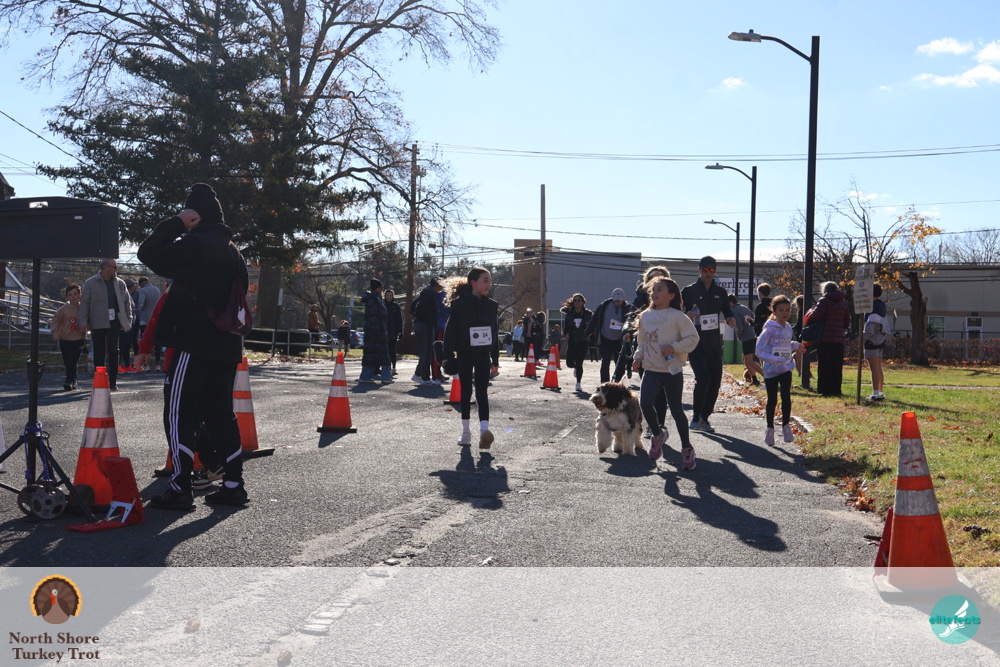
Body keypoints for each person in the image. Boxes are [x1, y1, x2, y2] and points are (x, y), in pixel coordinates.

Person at [136, 182, 250, 509]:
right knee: (220, 414)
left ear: (194, 216)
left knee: (179, 413)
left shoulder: (197, 245)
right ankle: (233, 484)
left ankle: (180, 488)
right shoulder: (234, 252)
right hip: (227, 344)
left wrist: (176, 223)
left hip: (194, 342)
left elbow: (148, 253)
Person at [632, 277, 700, 469]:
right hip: (651, 369)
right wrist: (638, 357)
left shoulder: (678, 317)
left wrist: (674, 347)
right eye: (653, 290)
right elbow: (642, 341)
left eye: (659, 289)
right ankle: (657, 434)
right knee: (645, 403)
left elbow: (693, 338)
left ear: (671, 295)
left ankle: (687, 449)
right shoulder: (645, 316)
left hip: (672, 371)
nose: (654, 293)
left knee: (676, 409)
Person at [443, 267, 500, 450]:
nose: (489, 284)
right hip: (465, 354)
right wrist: (447, 355)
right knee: (466, 391)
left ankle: (484, 432)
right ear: (474, 283)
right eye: (485, 280)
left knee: (482, 392)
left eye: (490, 281)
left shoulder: (492, 306)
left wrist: (495, 359)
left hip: (483, 354)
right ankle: (466, 431)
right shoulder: (459, 304)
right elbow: (450, 331)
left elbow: (494, 332)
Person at [681, 256, 736, 432]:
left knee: (715, 383)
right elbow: (677, 312)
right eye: (705, 270)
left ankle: (704, 418)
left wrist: (730, 318)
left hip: (714, 344)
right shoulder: (688, 291)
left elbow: (726, 310)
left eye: (712, 270)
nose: (708, 273)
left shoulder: (720, 292)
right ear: (699, 270)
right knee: (703, 379)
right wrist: (686, 315)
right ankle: (696, 416)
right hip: (696, 343)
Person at [78, 258, 132, 391]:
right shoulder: (90, 282)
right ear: (106, 268)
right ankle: (100, 380)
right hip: (97, 321)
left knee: (114, 350)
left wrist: (128, 321)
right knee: (99, 351)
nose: (116, 269)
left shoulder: (120, 283)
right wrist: (83, 322)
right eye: (114, 267)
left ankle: (113, 381)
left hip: (115, 322)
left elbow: (127, 303)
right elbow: (85, 303)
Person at [756, 295, 801, 446]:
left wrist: (796, 345)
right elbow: (759, 350)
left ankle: (786, 427)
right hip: (771, 370)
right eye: (781, 310)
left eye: (788, 310)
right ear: (774, 312)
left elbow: (786, 345)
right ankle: (770, 429)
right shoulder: (769, 329)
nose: (785, 313)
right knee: (772, 399)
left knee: (786, 396)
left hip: (786, 367)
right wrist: (773, 359)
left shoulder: (788, 328)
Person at [616, 265, 671, 384]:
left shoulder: (673, 298)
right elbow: (632, 315)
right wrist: (627, 331)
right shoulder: (641, 298)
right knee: (648, 382)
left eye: (660, 277)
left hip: (666, 346)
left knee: (665, 383)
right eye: (652, 277)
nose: (655, 280)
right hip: (644, 344)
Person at [809, 281, 850, 397]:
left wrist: (811, 313)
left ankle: (824, 389)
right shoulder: (844, 303)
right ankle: (836, 389)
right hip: (838, 338)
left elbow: (816, 317)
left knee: (824, 364)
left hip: (825, 338)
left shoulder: (824, 301)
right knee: (836, 365)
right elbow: (847, 322)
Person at [587, 287, 631, 383]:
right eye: (616, 301)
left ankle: (618, 384)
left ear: (623, 299)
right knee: (605, 362)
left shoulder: (628, 308)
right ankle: (605, 384)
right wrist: (586, 333)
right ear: (612, 298)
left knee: (620, 365)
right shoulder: (604, 305)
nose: (617, 303)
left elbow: (631, 323)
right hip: (605, 339)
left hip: (620, 341)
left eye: (619, 301)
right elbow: (594, 320)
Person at [51, 283, 87, 391]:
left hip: (78, 339)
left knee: (72, 360)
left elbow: (89, 321)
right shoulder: (63, 309)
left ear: (80, 295)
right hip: (65, 339)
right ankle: (72, 379)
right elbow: (55, 321)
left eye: (75, 294)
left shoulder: (83, 308)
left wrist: (86, 328)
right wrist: (55, 332)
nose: (73, 296)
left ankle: (70, 380)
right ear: (67, 297)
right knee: (67, 361)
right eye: (70, 295)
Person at [412, 276, 444, 386]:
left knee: (426, 352)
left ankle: (418, 374)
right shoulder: (430, 294)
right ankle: (425, 378)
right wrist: (420, 316)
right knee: (427, 352)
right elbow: (419, 306)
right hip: (426, 324)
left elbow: (414, 304)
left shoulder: (426, 292)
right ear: (437, 285)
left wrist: (415, 314)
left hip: (423, 324)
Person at [359, 278, 392, 383]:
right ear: (377, 288)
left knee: (370, 355)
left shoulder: (373, 299)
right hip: (377, 332)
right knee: (384, 356)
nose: (382, 289)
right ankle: (386, 377)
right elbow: (374, 317)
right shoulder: (374, 300)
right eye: (381, 287)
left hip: (372, 332)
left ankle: (365, 376)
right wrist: (379, 331)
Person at [728, 294, 763, 386]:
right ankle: (754, 379)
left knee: (749, 361)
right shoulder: (745, 308)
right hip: (752, 335)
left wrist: (738, 334)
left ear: (730, 302)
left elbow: (739, 326)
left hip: (746, 337)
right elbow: (753, 320)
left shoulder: (734, 311)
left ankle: (766, 376)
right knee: (745, 359)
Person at [561, 293, 593, 392]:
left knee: (579, 362)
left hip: (583, 341)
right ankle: (575, 367)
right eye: (575, 300)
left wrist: (589, 335)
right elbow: (566, 327)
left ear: (583, 302)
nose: (577, 302)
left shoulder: (588, 314)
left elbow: (591, 326)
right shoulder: (570, 314)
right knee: (569, 363)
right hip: (572, 340)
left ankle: (578, 383)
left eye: (579, 300)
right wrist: (566, 334)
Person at [864, 283, 890, 401]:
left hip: (872, 341)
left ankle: (875, 393)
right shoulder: (881, 305)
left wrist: (862, 338)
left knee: (873, 368)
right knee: (879, 368)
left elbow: (870, 327)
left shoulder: (872, 307)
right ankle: (880, 392)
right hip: (881, 339)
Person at [135, 276, 161, 369]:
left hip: (145, 320)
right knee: (157, 342)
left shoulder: (142, 291)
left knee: (146, 341)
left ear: (141, 284)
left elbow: (141, 305)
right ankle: (157, 364)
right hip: (156, 319)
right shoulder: (157, 290)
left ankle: (146, 364)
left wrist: (134, 310)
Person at [118, 277, 140, 373]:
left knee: (127, 345)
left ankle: (127, 365)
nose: (134, 287)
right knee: (122, 345)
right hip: (124, 324)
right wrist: (137, 310)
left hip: (130, 323)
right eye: (133, 285)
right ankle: (118, 365)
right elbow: (125, 309)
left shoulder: (129, 296)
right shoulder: (123, 296)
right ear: (130, 286)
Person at [384, 289, 403, 376]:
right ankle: (386, 367)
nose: (389, 297)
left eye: (390, 295)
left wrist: (400, 331)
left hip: (393, 331)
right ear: (385, 296)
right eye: (387, 295)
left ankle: (394, 367)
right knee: (385, 350)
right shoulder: (382, 305)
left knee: (392, 350)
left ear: (393, 296)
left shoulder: (396, 306)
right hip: (384, 331)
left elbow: (399, 319)